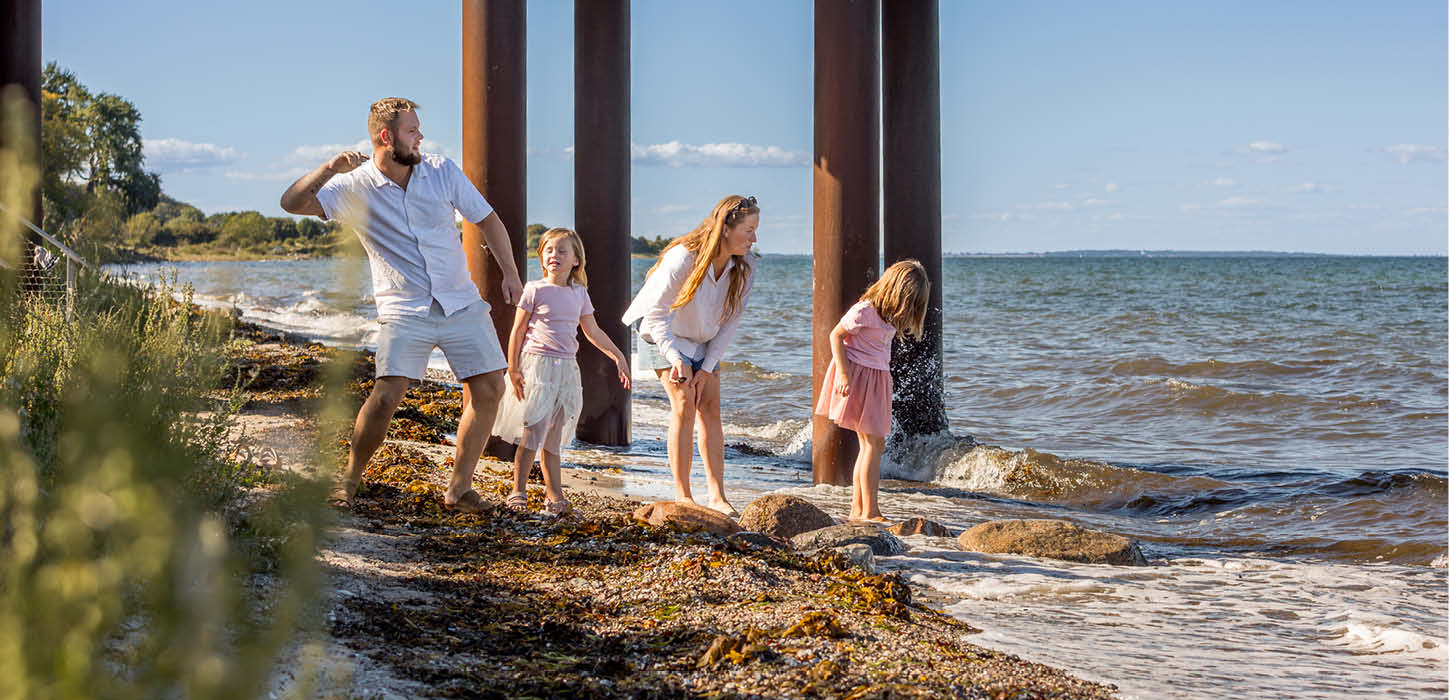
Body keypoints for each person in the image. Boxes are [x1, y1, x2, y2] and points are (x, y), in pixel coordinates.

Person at [279, 97, 523, 514]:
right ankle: (349, 480)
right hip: (403, 308)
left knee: (490, 389)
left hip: (460, 301)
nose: (421, 137)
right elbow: (292, 202)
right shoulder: (353, 185)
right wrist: (328, 170)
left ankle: (459, 489)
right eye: (413, 131)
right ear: (386, 137)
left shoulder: (441, 170)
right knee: (388, 393)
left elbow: (488, 220)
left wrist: (511, 273)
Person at [622, 195, 759, 518]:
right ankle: (683, 495)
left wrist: (707, 368)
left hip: (701, 338)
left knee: (710, 406)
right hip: (660, 333)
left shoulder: (746, 265)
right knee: (684, 402)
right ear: (726, 228)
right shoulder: (683, 258)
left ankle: (717, 496)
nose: (754, 238)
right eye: (749, 230)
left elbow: (730, 324)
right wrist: (676, 358)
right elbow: (655, 317)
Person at [493, 228, 630, 517]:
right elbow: (517, 332)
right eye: (549, 250)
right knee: (533, 432)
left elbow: (592, 331)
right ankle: (518, 490)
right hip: (536, 365)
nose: (555, 255)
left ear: (576, 260)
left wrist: (617, 355)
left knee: (554, 437)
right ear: (542, 257)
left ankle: (554, 496)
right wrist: (514, 368)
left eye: (562, 251)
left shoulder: (579, 293)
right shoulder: (534, 289)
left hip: (567, 369)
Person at [814, 259, 930, 523]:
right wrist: (843, 374)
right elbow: (835, 336)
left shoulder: (888, 316)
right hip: (859, 376)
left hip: (877, 378)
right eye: (908, 302)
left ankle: (858, 510)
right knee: (874, 444)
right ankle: (871, 511)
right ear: (895, 291)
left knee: (869, 445)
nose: (908, 310)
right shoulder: (865, 310)